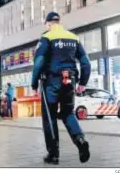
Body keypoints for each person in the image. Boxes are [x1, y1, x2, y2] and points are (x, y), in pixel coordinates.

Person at [31, 12, 91, 165]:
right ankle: (80, 140)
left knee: (49, 117)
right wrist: (83, 82)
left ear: (49, 24)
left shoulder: (47, 37)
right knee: (68, 113)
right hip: (69, 81)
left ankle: (53, 154)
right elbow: (85, 62)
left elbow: (38, 62)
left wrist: (33, 84)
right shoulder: (74, 38)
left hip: (51, 82)